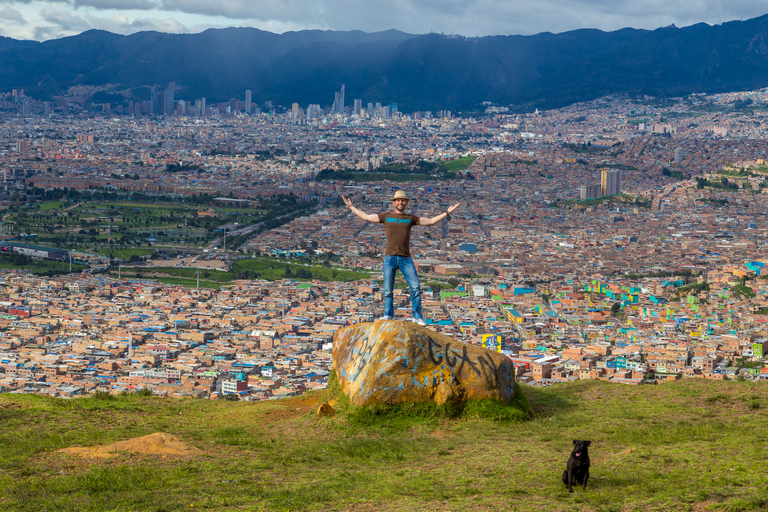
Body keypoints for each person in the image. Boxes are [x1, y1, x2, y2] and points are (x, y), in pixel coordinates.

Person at [343, 190, 460, 325]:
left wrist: (447, 212)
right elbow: (366, 217)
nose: (400, 202)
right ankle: (388, 315)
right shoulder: (386, 216)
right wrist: (351, 207)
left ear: (406, 203)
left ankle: (417, 316)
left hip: (405, 258)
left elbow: (431, 221)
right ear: (394, 203)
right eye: (398, 200)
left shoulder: (410, 218)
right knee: (388, 289)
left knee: (415, 287)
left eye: (403, 200)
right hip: (389, 258)